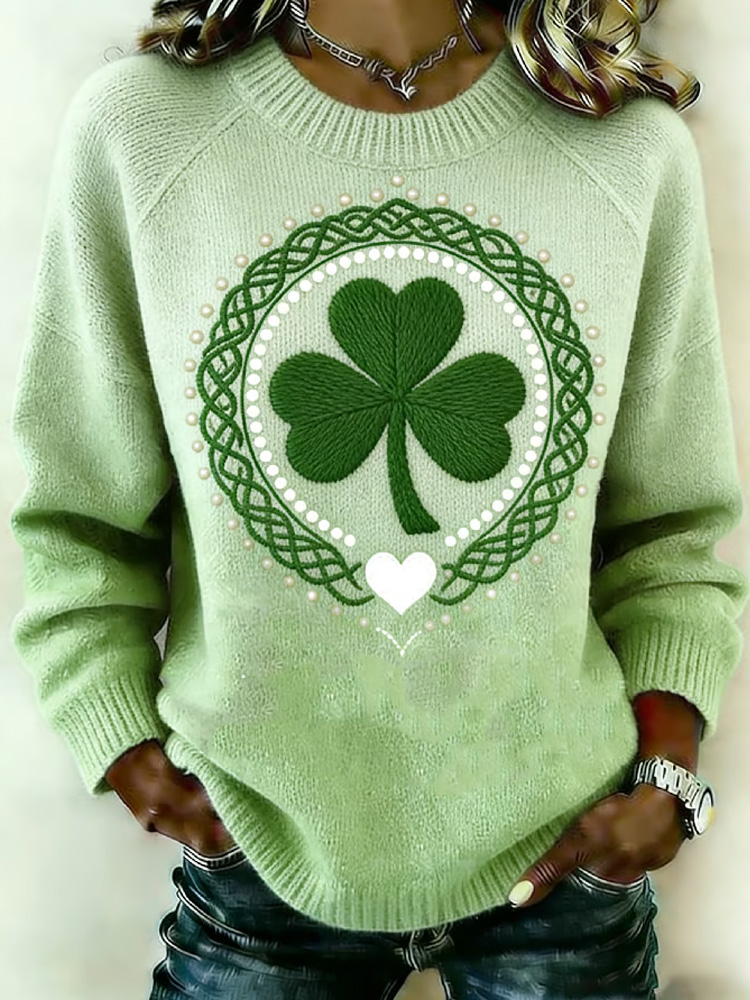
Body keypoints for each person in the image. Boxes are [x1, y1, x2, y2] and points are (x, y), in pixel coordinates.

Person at [8, 0, 748, 997]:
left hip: (565, 857)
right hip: (257, 853)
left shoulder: (625, 148)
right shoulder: (144, 133)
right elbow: (78, 513)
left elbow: (673, 529)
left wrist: (667, 777)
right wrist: (125, 749)